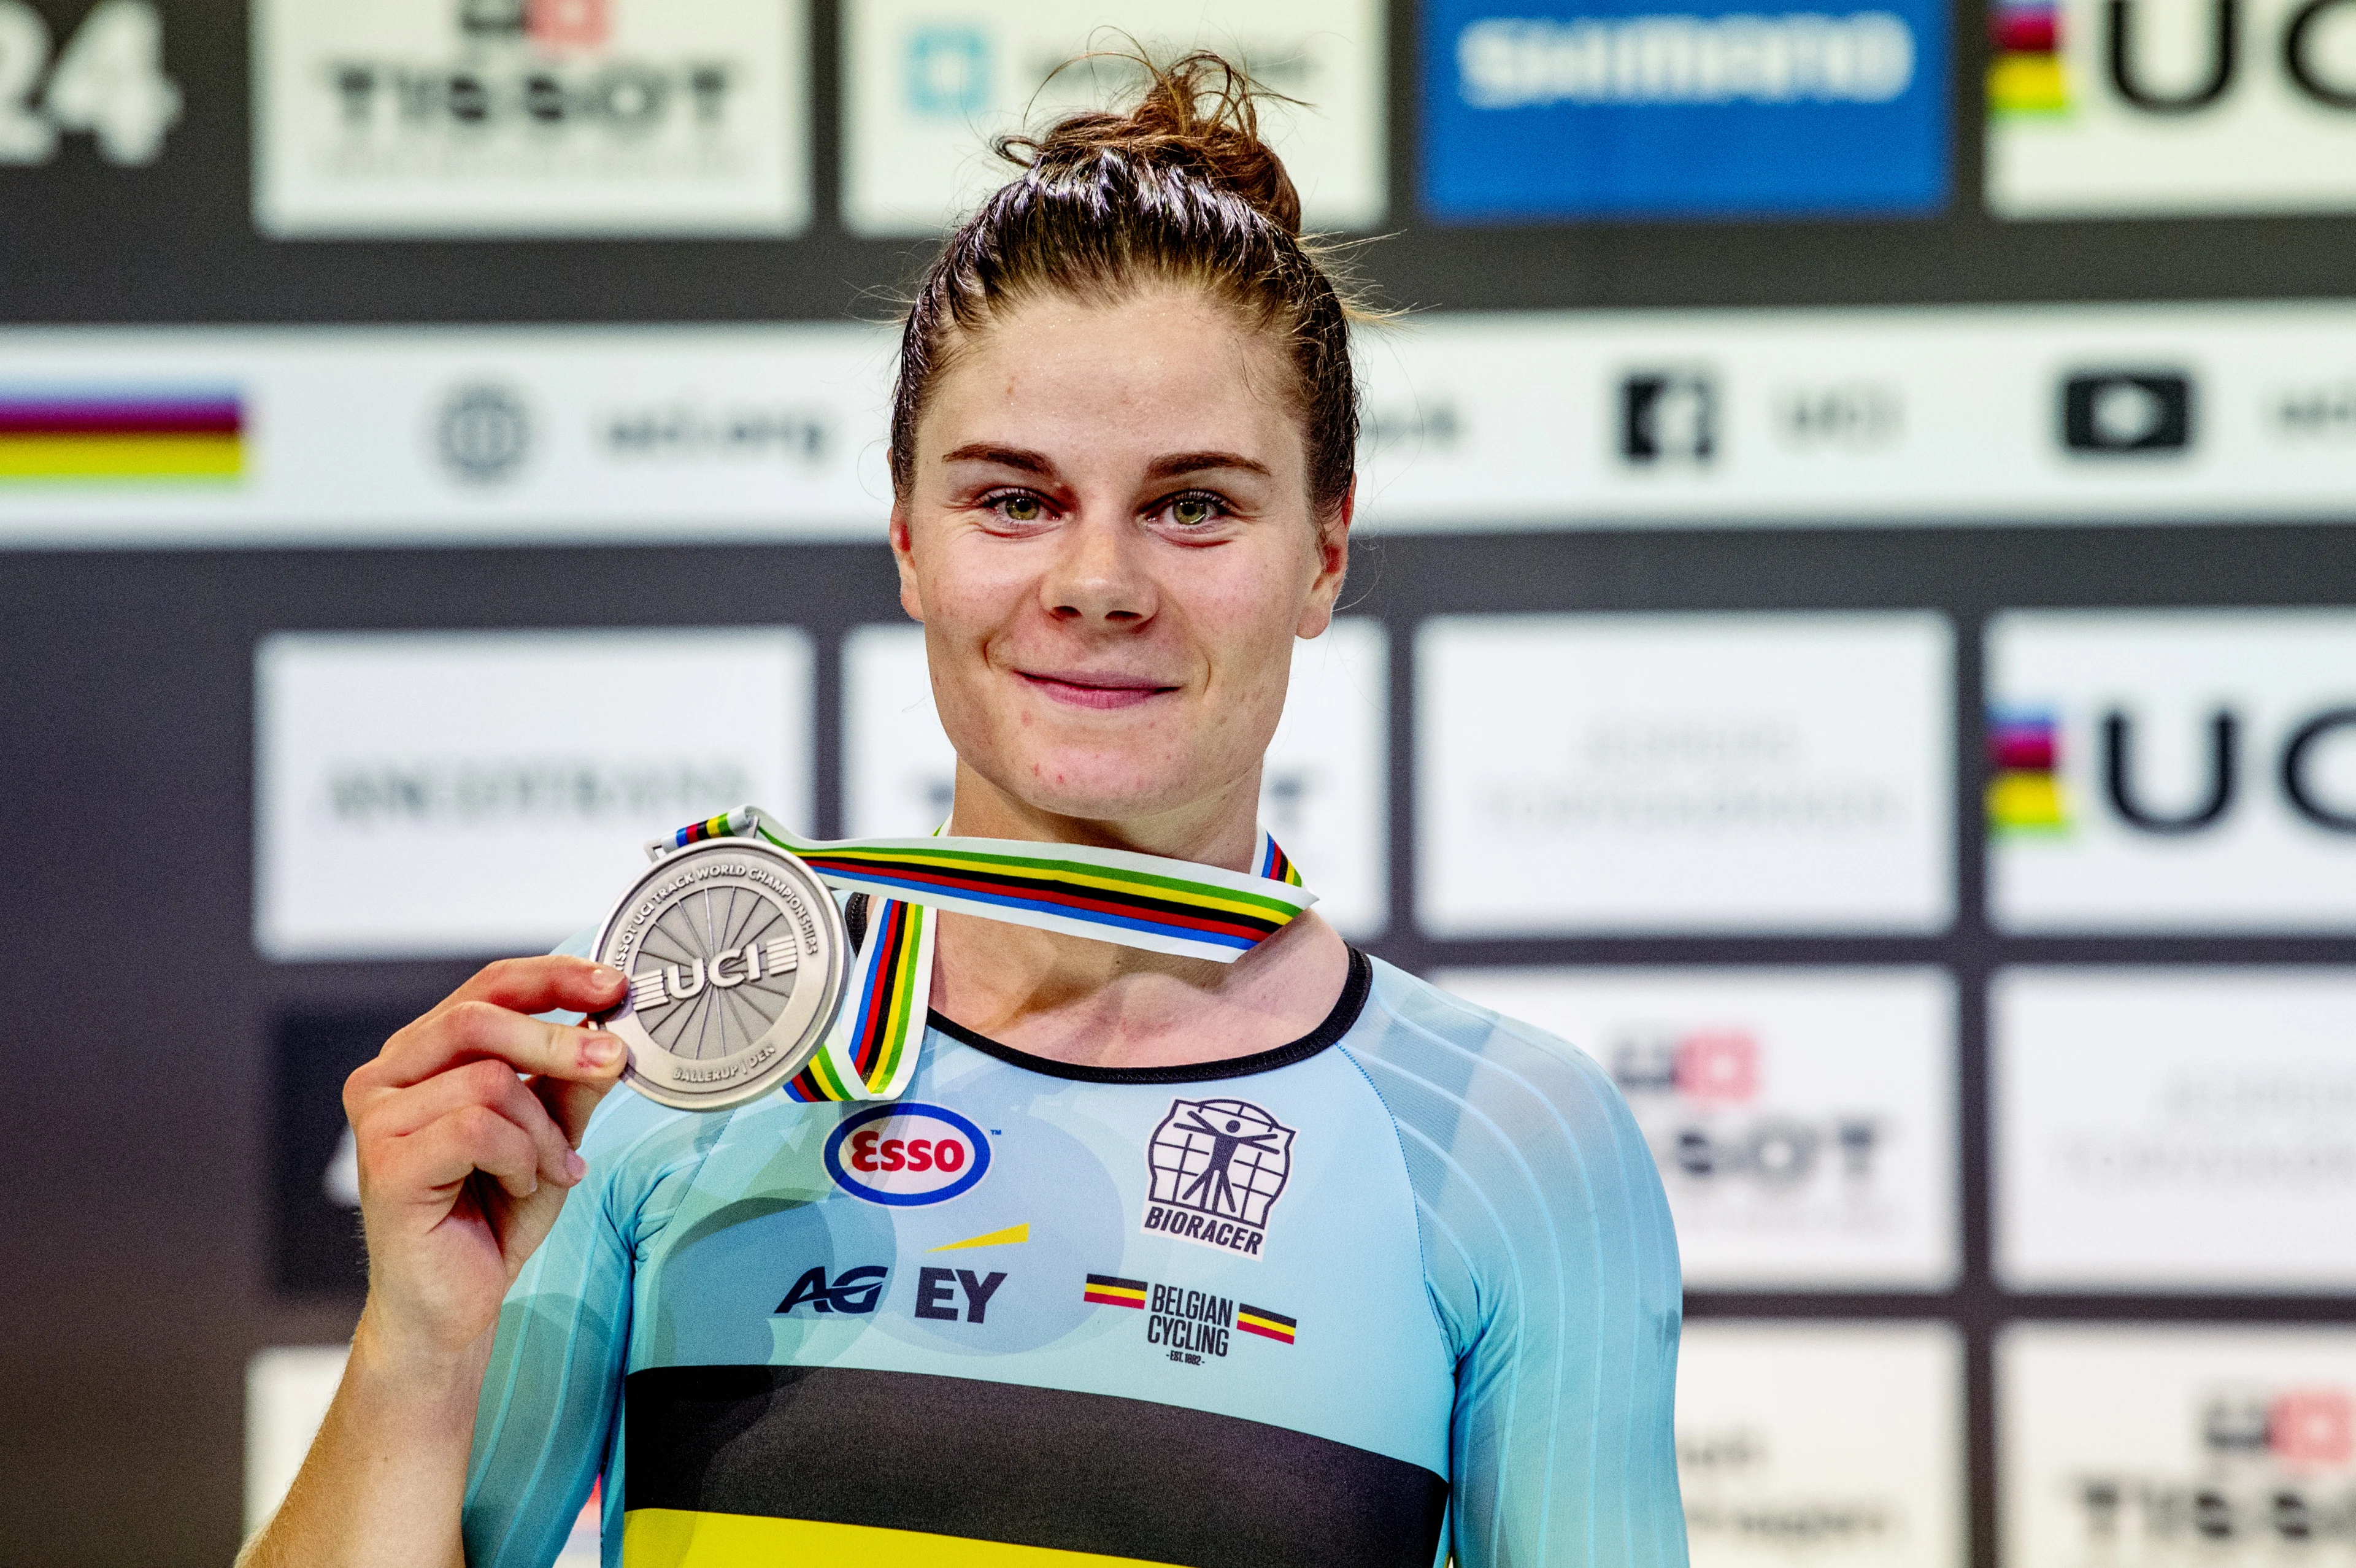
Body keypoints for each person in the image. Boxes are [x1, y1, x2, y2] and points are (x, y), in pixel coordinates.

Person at [242, 53, 1687, 1568]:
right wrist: (416, 1350)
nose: (1099, 585)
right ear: (909, 542)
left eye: (1196, 504)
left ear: (1325, 554)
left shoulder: (1515, 1149)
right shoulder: (666, 1055)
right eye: (1015, 499)